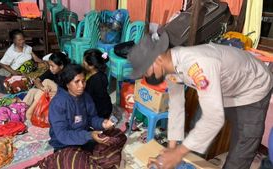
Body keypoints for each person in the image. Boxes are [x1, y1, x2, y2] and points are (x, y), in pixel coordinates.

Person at [127, 32, 273, 169]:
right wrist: (171, 150)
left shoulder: (198, 65)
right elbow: (176, 107)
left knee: (242, 147)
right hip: (224, 86)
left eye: (146, 71)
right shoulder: (170, 67)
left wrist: (178, 154)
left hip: (253, 86)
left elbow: (213, 119)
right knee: (196, 129)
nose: (147, 77)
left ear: (158, 59)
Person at [48, 64, 126, 168]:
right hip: (64, 144)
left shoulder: (86, 96)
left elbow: (91, 118)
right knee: (74, 163)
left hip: (84, 138)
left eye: (83, 81)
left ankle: (90, 157)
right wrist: (89, 135)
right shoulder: (58, 103)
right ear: (67, 84)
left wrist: (102, 123)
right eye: (77, 82)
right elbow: (62, 135)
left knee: (117, 136)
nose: (82, 85)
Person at [23, 52, 70, 120]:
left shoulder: (69, 73)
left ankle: (29, 113)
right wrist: (43, 88)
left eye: (52, 66)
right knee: (32, 91)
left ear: (61, 66)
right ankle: (21, 109)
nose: (50, 68)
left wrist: (58, 94)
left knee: (46, 81)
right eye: (49, 65)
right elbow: (37, 80)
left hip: (65, 98)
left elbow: (73, 93)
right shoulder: (52, 71)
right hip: (55, 93)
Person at [83, 49, 112, 118]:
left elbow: (89, 98)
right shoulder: (101, 74)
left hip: (100, 112)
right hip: (105, 106)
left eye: (84, 63)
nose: (82, 64)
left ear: (92, 66)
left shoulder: (96, 80)